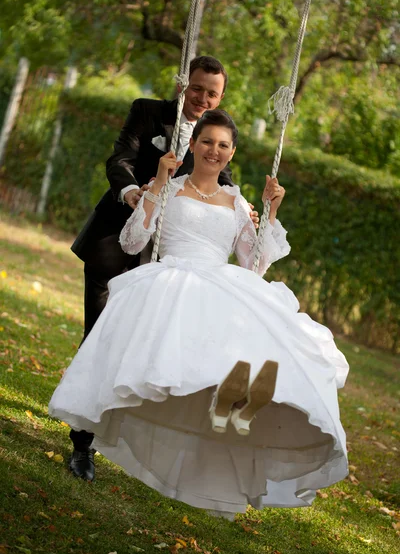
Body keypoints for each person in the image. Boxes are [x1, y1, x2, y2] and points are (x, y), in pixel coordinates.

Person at [49, 110, 349, 515]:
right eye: (207, 142)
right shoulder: (169, 189)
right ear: (193, 145)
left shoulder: (239, 202)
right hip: (173, 274)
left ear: (232, 153)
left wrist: (270, 211)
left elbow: (254, 266)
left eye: (224, 145)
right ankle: (119, 424)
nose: (215, 150)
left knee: (266, 333)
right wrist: (155, 183)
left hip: (221, 276)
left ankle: (236, 406)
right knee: (179, 352)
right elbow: (134, 241)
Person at [68, 56, 259, 480]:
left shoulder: (211, 138)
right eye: (197, 89)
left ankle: (138, 431)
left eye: (212, 93)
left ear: (220, 97)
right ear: (183, 85)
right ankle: (82, 444)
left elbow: (218, 181)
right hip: (119, 242)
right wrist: (134, 191)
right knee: (99, 338)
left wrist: (248, 211)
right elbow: (118, 159)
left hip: (170, 257)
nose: (202, 98)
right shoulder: (147, 111)